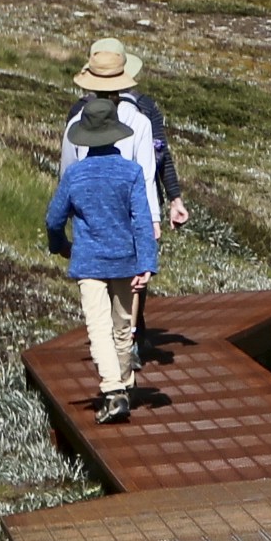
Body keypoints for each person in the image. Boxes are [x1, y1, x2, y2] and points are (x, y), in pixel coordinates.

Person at [61, 38, 188, 358]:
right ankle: (127, 345)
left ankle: (110, 359)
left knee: (96, 284)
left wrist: (61, 219)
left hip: (89, 214)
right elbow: (148, 173)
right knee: (130, 281)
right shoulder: (143, 118)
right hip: (130, 211)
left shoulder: (76, 119)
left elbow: (67, 174)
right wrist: (155, 218)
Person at [44, 96, 157, 422]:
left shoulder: (75, 175)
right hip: (124, 261)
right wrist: (146, 263)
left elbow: (53, 219)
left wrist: (60, 245)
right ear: (114, 133)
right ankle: (126, 383)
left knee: (99, 329)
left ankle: (113, 392)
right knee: (123, 327)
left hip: (90, 262)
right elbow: (141, 220)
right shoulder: (131, 173)